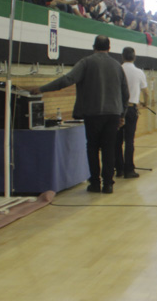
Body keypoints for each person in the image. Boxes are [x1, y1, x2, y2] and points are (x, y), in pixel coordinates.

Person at [31, 35, 128, 193]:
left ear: (93, 46)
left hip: (92, 113)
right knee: (109, 149)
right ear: (109, 48)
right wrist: (122, 114)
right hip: (113, 113)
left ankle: (95, 183)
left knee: (92, 148)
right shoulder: (117, 65)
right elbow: (125, 93)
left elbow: (67, 80)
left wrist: (43, 88)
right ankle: (108, 184)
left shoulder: (86, 62)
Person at [115, 47, 148, 179]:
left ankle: (119, 169)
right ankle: (129, 170)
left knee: (117, 140)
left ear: (122, 57)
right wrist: (146, 103)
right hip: (131, 109)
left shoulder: (118, 69)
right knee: (129, 140)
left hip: (118, 109)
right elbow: (145, 92)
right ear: (134, 57)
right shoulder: (139, 72)